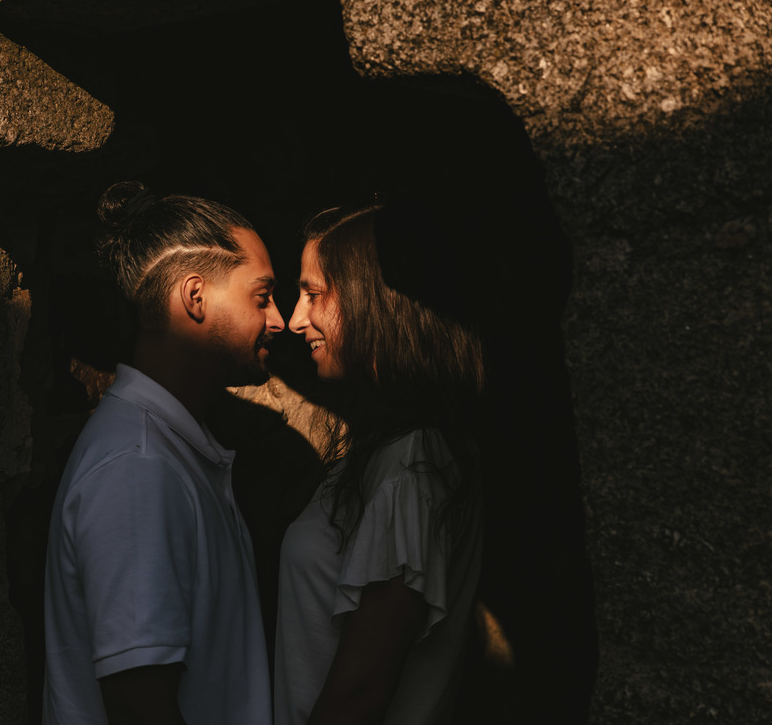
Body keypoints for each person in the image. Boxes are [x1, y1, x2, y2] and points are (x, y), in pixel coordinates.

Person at [43, 181, 284, 725]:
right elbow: (140, 705)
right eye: (262, 297)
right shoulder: (139, 466)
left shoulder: (162, 449)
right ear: (194, 298)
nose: (280, 319)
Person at [276, 203, 486, 725]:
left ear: (369, 298)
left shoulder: (412, 465)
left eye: (313, 293)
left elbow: (361, 692)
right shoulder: (398, 450)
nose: (296, 320)